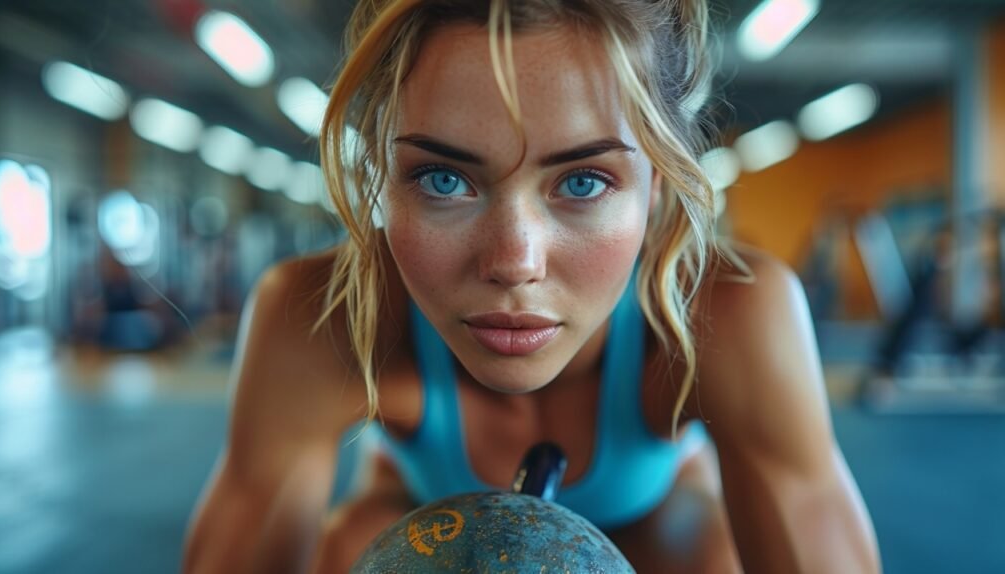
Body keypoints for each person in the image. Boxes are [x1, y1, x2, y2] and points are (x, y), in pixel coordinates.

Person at [183, 1, 882, 572]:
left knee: (703, 555)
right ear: (383, 183)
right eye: (443, 179)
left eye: (583, 181)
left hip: (653, 521)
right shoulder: (323, 316)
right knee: (351, 553)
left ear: (657, 186)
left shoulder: (730, 313)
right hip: (417, 510)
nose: (515, 261)